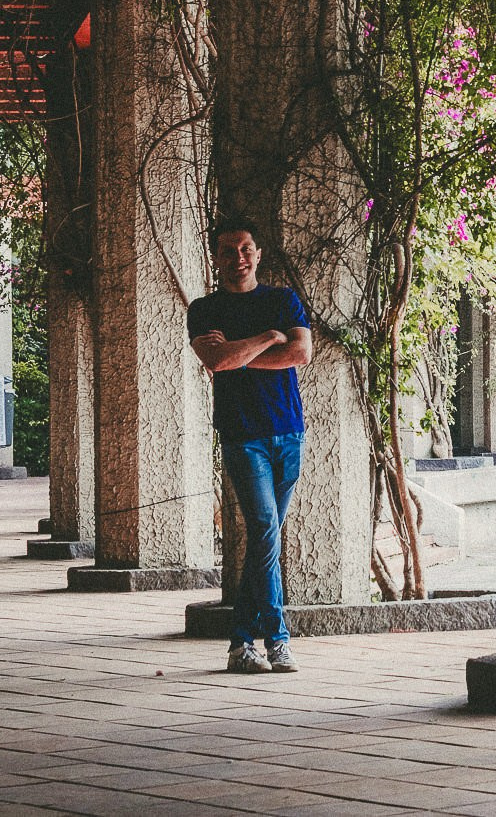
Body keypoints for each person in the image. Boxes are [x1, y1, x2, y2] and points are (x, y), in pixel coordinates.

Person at [188, 219, 312, 675]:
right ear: (215, 258)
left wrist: (240, 355)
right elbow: (217, 362)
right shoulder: (204, 310)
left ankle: (241, 643)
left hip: (289, 431)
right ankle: (278, 639)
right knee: (264, 530)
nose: (237, 258)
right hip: (242, 436)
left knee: (266, 537)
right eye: (227, 251)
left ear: (258, 254)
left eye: (245, 249)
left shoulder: (283, 299)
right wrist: (267, 337)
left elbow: (300, 353)